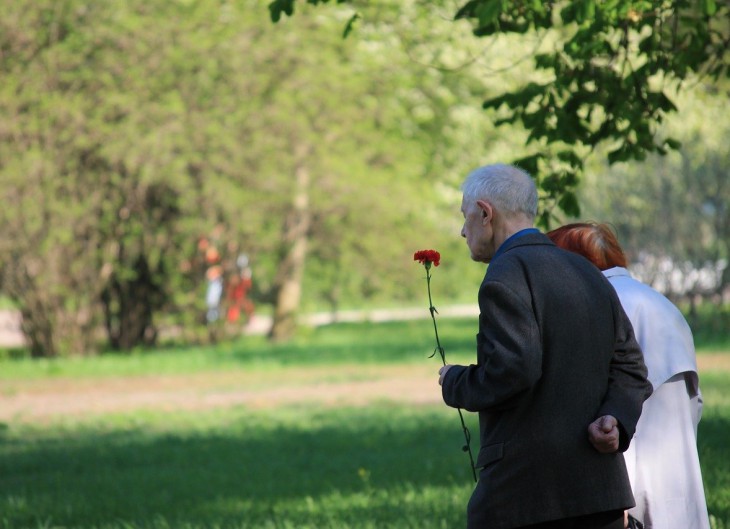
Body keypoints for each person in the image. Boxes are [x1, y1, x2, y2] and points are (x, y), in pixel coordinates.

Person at [438, 164, 653, 529]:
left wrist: (454, 382)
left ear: (485, 213)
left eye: (465, 216)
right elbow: (631, 365)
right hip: (600, 493)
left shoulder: (505, 274)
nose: (463, 230)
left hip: (527, 497)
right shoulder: (587, 271)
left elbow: (514, 369)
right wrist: (615, 417)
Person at [547, 222, 711, 529]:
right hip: (676, 467)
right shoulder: (659, 302)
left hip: (624, 484)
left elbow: (601, 406)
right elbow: (694, 402)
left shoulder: (598, 304)